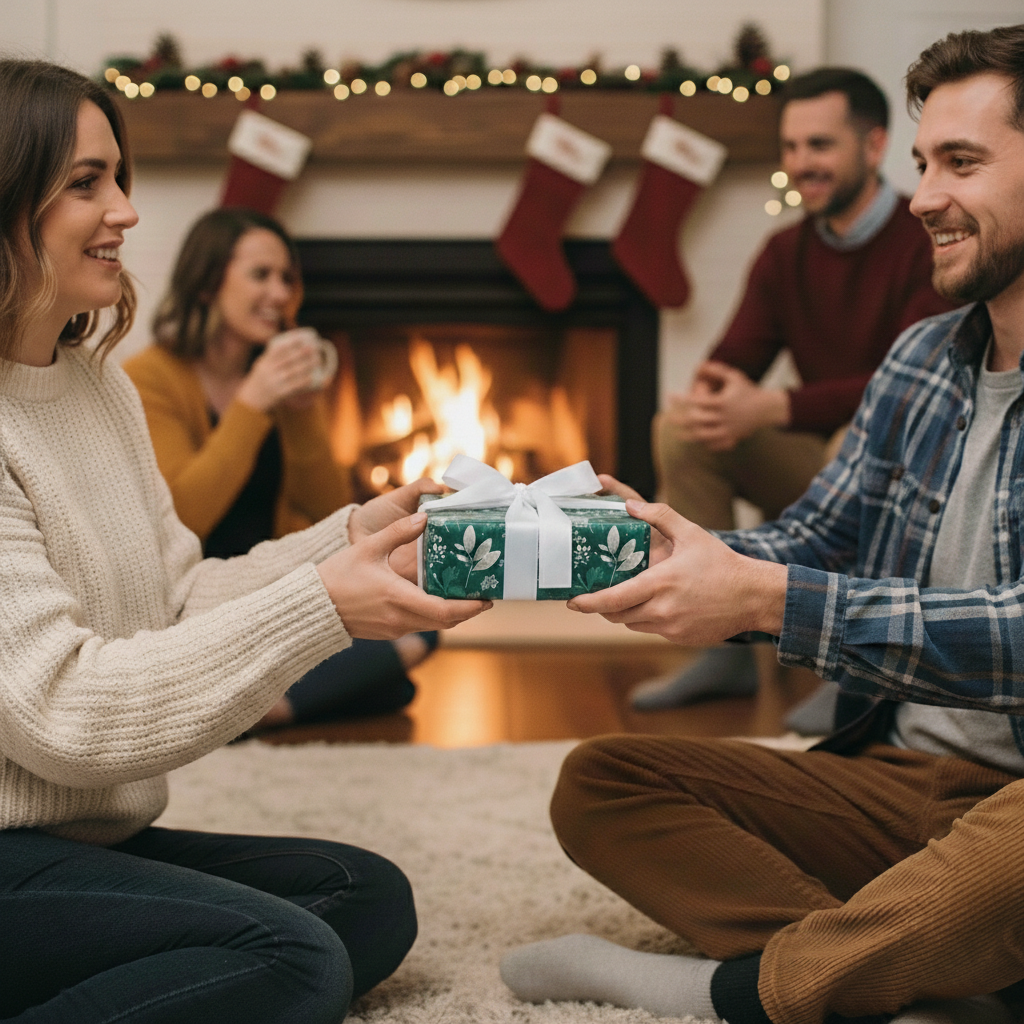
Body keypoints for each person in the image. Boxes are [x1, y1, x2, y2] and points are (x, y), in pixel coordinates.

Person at [500, 25, 1024, 1024]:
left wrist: (770, 598)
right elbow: (813, 537)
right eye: (922, 163)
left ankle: (748, 989)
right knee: (603, 780)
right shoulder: (921, 359)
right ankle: (911, 973)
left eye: (961, 162)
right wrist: (670, 555)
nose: (922, 197)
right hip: (898, 777)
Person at [0, 59, 488, 1022]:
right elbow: (61, 712)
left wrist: (356, 536)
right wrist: (327, 607)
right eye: (86, 183)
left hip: (86, 839)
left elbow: (178, 597)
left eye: (121, 178)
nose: (128, 212)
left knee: (367, 899)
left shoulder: (99, 391)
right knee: (298, 962)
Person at [634, 67, 953, 726]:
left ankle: (859, 664)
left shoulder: (923, 242)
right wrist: (711, 396)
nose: (801, 164)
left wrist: (776, 406)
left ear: (872, 147)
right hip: (813, 459)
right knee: (678, 429)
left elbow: (909, 385)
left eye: (819, 146)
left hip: (889, 459)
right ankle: (721, 643)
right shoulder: (785, 252)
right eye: (791, 147)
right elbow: (733, 357)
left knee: (862, 439)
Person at [124, 208, 433, 731]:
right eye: (260, 275)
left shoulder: (276, 375)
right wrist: (252, 403)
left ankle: (254, 709)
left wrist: (300, 410)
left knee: (418, 619)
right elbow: (184, 517)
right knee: (391, 677)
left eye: (287, 278)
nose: (280, 293)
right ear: (205, 285)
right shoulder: (148, 379)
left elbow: (328, 512)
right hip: (192, 606)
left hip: (272, 589)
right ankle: (276, 703)